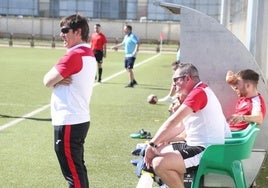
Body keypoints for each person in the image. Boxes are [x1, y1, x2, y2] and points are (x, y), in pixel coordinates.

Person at [144, 63, 228, 188]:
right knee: (159, 151)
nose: (173, 84)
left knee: (159, 163)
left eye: (175, 80)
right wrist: (160, 142)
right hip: (200, 146)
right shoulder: (199, 90)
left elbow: (172, 121)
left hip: (208, 151)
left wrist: (152, 145)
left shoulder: (198, 93)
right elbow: (179, 127)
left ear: (187, 78)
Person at [43, 14, 96, 188]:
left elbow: (47, 81)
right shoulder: (87, 53)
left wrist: (56, 80)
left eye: (65, 30)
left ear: (78, 31)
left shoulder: (74, 55)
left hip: (69, 120)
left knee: (73, 174)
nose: (61, 34)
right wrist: (59, 79)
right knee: (77, 170)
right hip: (77, 118)